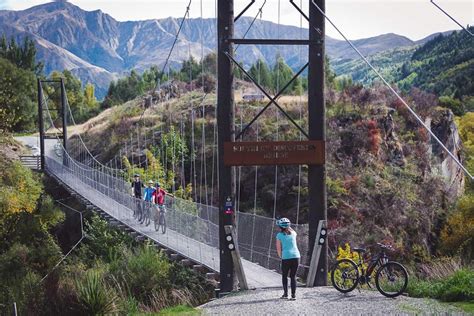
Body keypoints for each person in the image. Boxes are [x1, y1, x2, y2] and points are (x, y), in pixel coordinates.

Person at [276, 217, 300, 300]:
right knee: (293, 276)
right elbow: (290, 229)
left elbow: (279, 249)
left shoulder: (279, 235)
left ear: (280, 227)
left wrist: (281, 256)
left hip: (286, 257)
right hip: (296, 256)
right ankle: (293, 295)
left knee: (285, 276)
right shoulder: (293, 233)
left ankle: (285, 294)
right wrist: (288, 226)